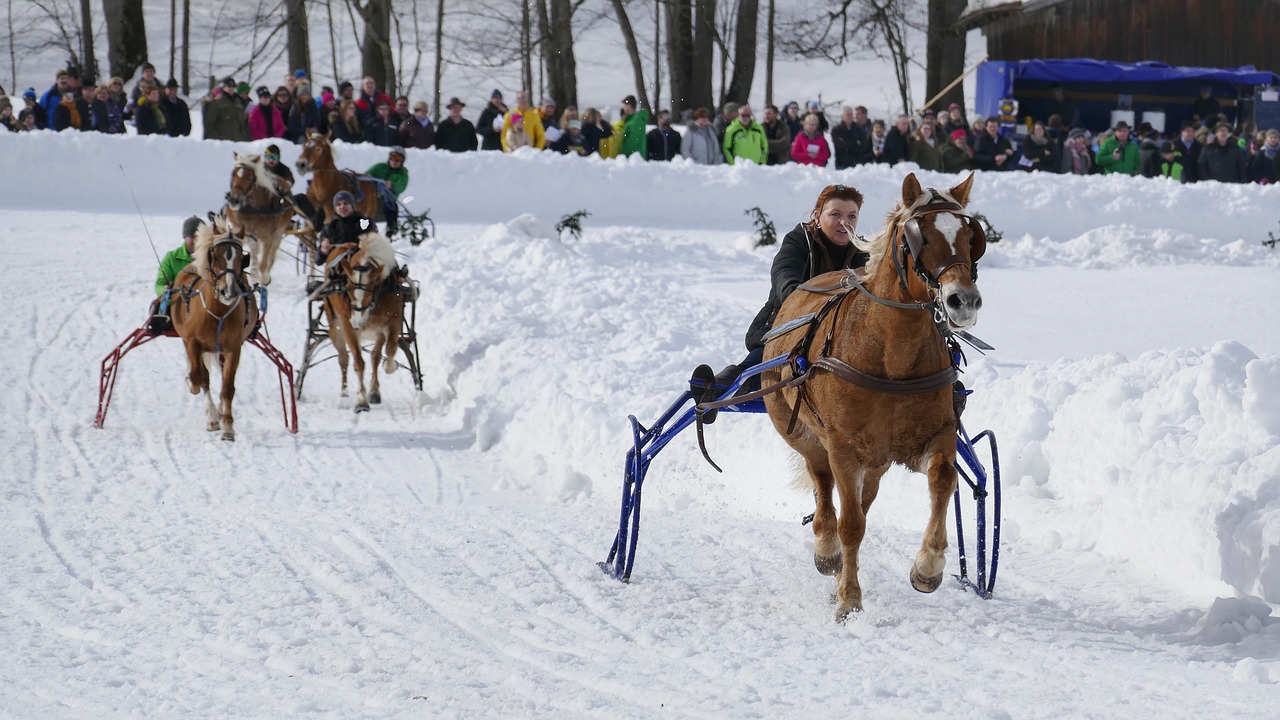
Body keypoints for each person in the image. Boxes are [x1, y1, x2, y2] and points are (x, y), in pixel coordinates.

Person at [690, 184, 869, 417]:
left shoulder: (864, 253)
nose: (844, 222)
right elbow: (784, 273)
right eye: (835, 214)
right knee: (763, 364)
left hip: (839, 336)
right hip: (786, 325)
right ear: (817, 215)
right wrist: (804, 299)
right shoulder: (799, 240)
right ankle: (714, 391)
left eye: (851, 216)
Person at [150, 215, 204, 333]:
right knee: (156, 309)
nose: (195, 240)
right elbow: (159, 284)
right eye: (191, 236)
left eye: (198, 237)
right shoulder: (172, 258)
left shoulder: (212, 257)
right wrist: (163, 290)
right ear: (185, 237)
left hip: (205, 308)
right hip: (179, 306)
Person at [365, 147, 409, 237]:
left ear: (402, 161)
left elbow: (401, 187)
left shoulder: (402, 174)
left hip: (387, 200)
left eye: (398, 159)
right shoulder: (380, 167)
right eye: (393, 158)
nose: (395, 161)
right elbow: (366, 175)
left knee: (392, 207)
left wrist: (392, 185)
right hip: (372, 196)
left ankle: (391, 228)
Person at [317, 190, 371, 264]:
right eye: (338, 204)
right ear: (335, 209)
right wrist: (323, 251)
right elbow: (318, 261)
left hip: (362, 265)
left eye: (345, 203)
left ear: (352, 206)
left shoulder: (365, 223)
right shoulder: (329, 228)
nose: (342, 207)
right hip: (339, 269)